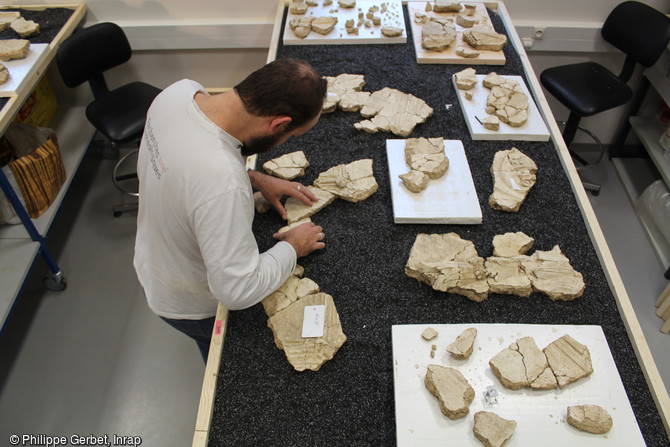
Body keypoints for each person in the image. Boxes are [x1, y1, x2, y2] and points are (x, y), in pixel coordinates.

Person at [133, 58, 328, 362]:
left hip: (154, 260)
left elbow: (184, 171)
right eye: (292, 135)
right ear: (279, 124)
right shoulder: (223, 182)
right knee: (221, 358)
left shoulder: (179, 92)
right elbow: (236, 291)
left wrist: (256, 178)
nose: (285, 142)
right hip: (190, 302)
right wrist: (292, 247)